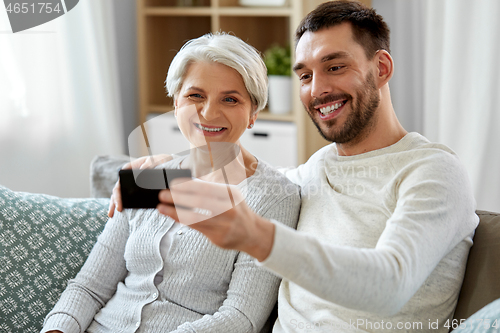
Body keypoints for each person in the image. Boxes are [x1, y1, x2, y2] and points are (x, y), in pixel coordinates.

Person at [146, 1, 479, 332]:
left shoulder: (432, 170)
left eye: (334, 67)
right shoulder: (315, 170)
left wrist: (260, 238)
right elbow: (247, 176)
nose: (317, 89)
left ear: (381, 69)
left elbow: (390, 285)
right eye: (305, 75)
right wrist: (163, 170)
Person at [41, 32, 301, 333]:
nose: (209, 112)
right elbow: (89, 287)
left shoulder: (275, 197)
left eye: (230, 99)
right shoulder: (148, 176)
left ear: (253, 113)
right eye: (195, 95)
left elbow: (242, 317)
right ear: (176, 102)